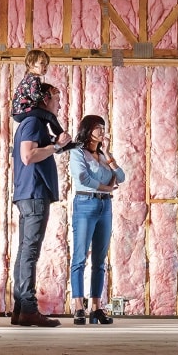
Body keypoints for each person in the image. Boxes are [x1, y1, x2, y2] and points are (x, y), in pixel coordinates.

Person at [10, 83, 72, 327]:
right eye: (57, 99)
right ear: (44, 99)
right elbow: (28, 156)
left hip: (28, 193)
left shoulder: (30, 123)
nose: (59, 104)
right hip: (34, 194)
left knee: (25, 250)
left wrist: (56, 146)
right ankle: (28, 309)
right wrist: (56, 146)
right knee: (30, 252)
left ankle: (20, 309)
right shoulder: (34, 122)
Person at [68, 115, 125, 325]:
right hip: (85, 204)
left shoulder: (102, 156)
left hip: (105, 206)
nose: (102, 131)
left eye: (103, 127)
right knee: (80, 256)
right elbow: (83, 178)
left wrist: (108, 154)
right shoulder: (77, 152)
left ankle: (96, 307)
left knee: (99, 260)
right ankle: (78, 306)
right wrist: (107, 187)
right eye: (97, 128)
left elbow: (122, 177)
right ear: (87, 130)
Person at [11, 49, 74, 151]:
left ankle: (57, 140)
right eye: (42, 63)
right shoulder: (33, 78)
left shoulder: (29, 78)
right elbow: (35, 96)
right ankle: (64, 140)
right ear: (31, 64)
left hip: (22, 111)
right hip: (23, 111)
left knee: (47, 119)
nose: (45, 67)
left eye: (46, 64)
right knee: (50, 116)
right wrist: (49, 93)